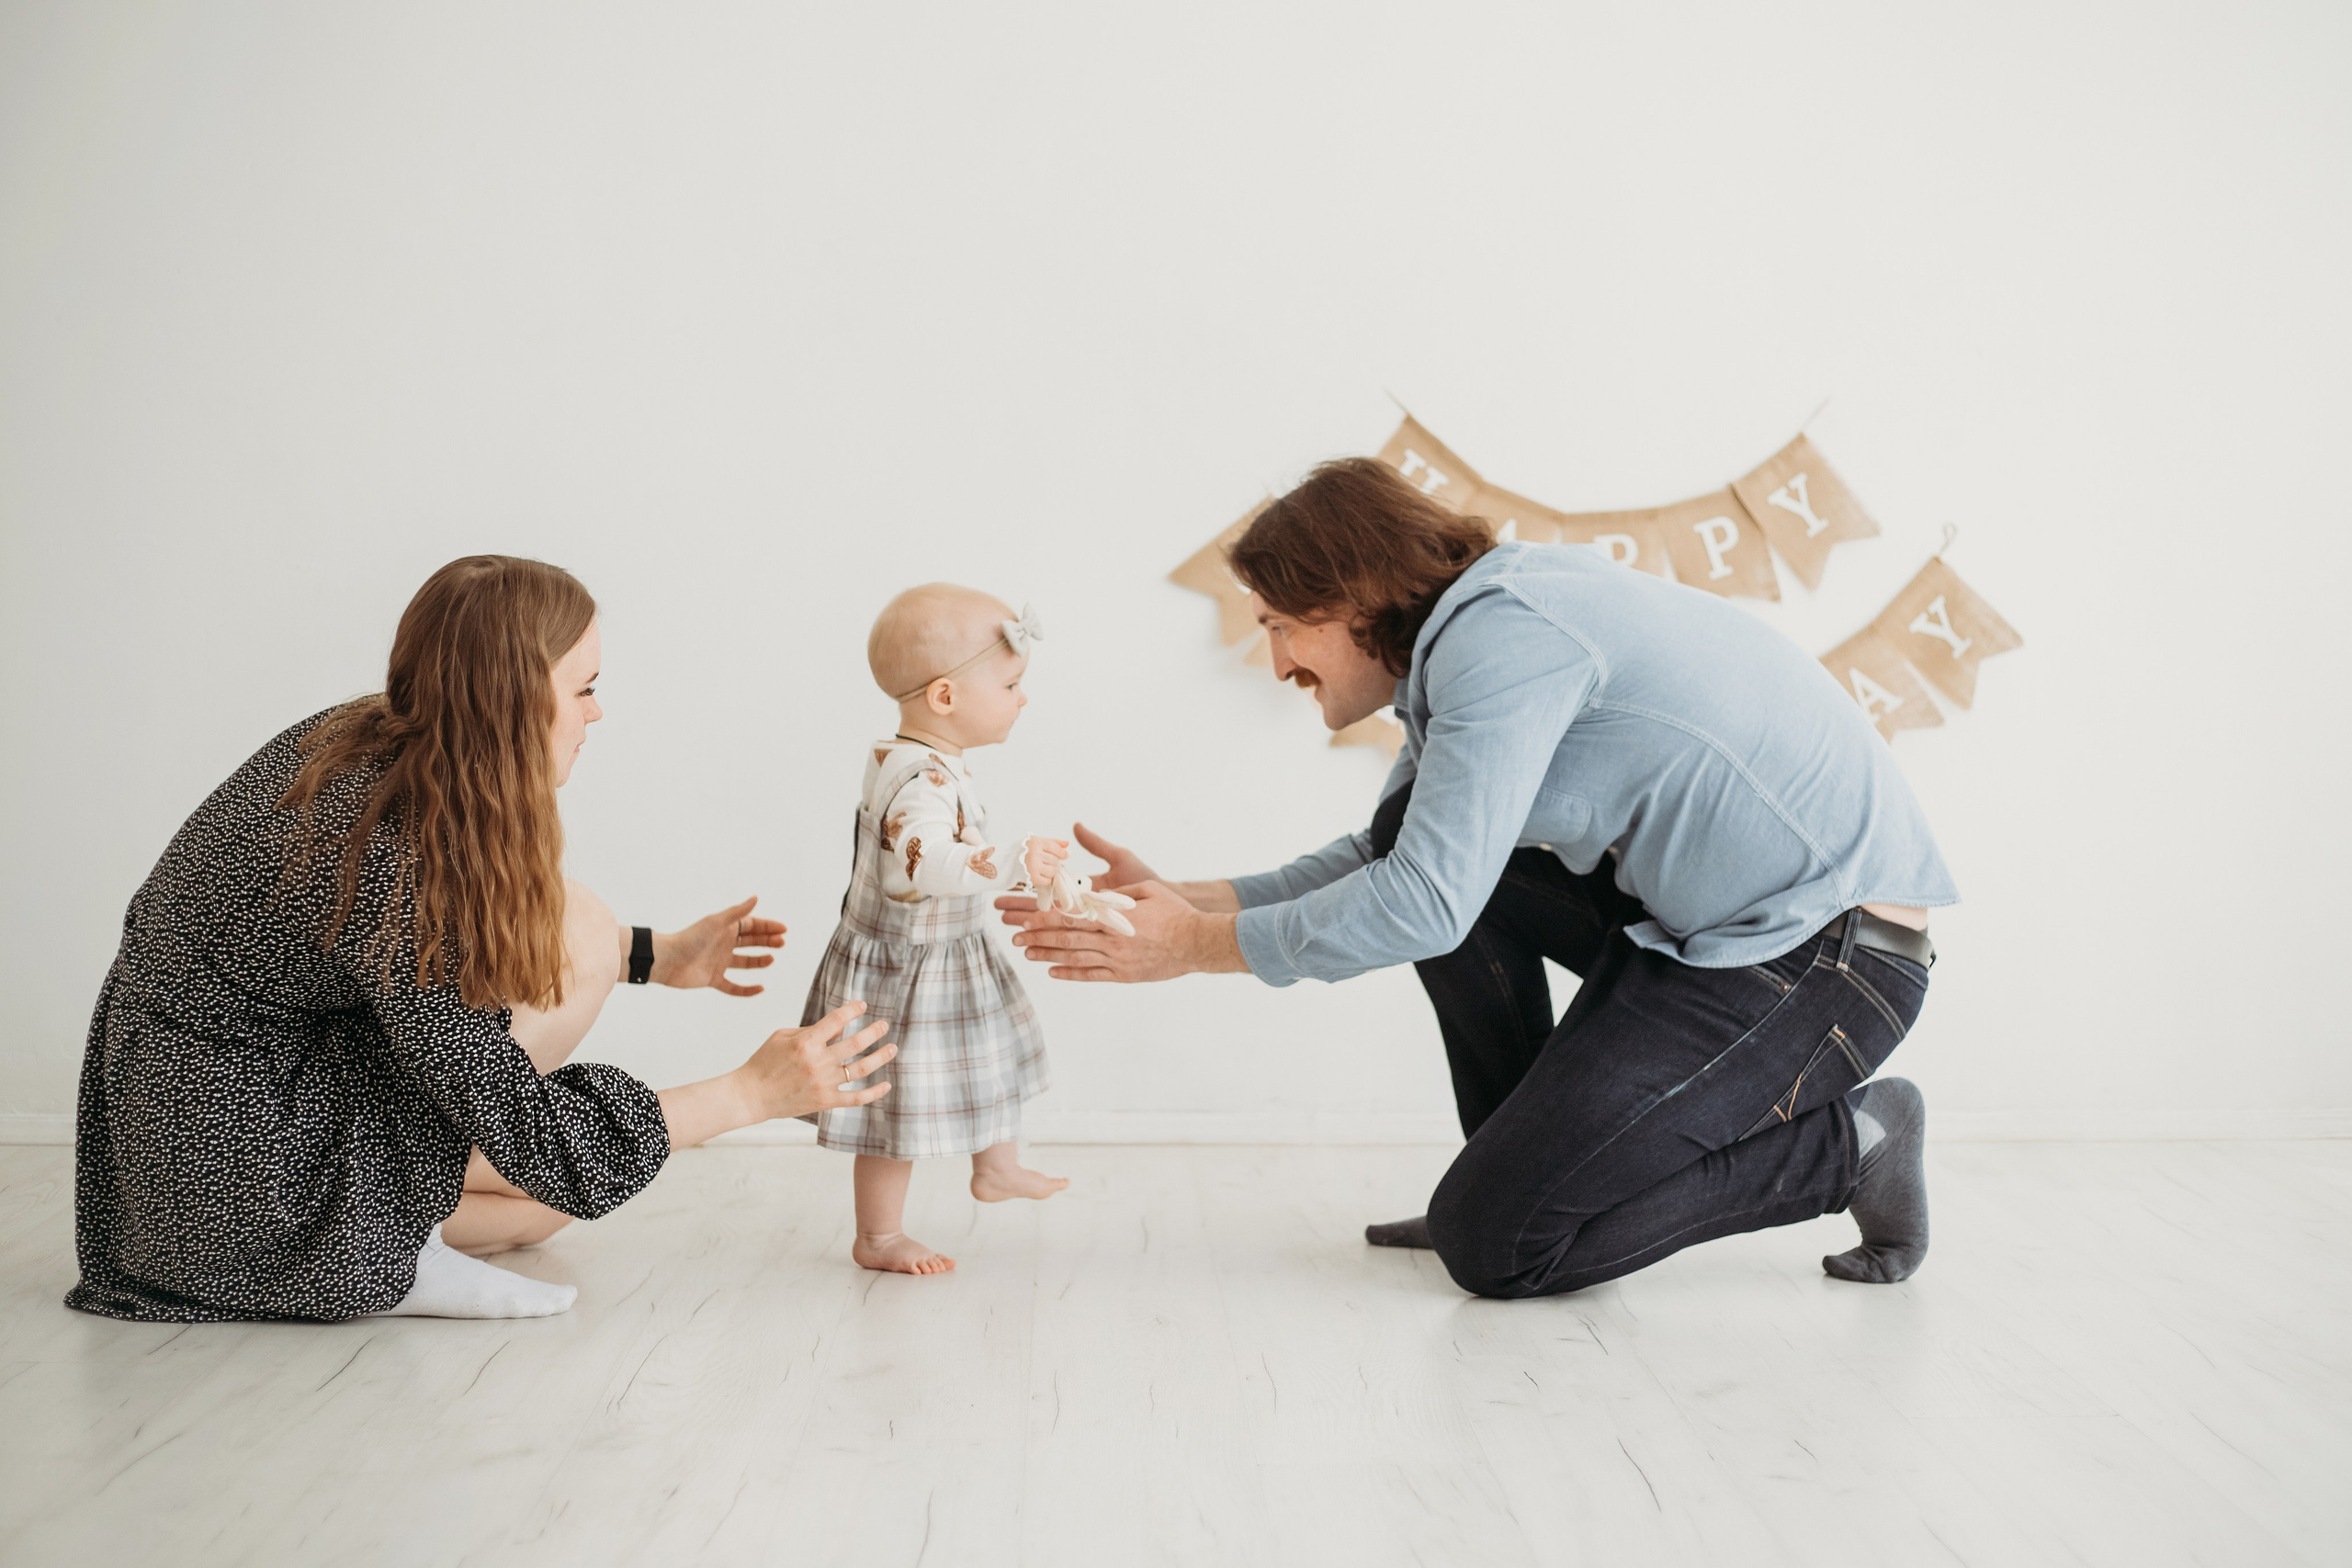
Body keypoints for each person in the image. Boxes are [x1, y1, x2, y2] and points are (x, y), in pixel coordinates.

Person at [1001, 459, 1954, 1300]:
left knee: (1499, 1246)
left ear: (1358, 594)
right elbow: (1405, 857)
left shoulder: (1504, 638)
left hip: (1826, 960)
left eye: (1284, 623)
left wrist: (1194, 949)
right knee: (1419, 847)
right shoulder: (1476, 639)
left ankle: (1853, 1144)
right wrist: (1196, 899)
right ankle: (1514, 1172)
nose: (1277, 657)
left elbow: (1421, 902)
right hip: (1716, 936)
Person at [67, 555, 898, 1324]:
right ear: (509, 697)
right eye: (584, 688)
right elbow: (523, 1123)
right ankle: (376, 1258)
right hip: (221, 1181)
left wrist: (658, 955)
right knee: (546, 1170)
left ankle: (399, 1224)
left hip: (186, 1116)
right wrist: (750, 1093)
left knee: (548, 1175)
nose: (598, 710)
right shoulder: (395, 861)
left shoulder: (385, 734)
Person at [798, 585, 1133, 1276]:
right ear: (946, 698)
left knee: (990, 1052)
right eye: (1011, 683)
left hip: (946, 954)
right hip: (903, 968)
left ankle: (997, 1165)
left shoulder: (923, 757)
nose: (1023, 697)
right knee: (892, 1109)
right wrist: (1014, 858)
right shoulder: (919, 781)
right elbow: (928, 859)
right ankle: (880, 1236)